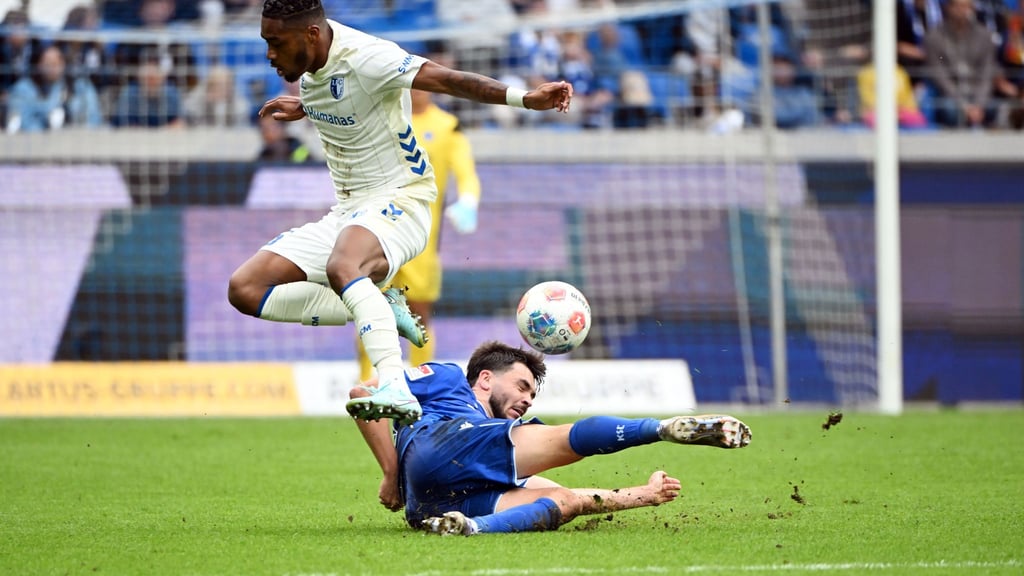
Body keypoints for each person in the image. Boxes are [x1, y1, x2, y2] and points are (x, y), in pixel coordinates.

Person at [227, 0, 573, 426]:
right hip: (350, 211)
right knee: (245, 288)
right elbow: (340, 98)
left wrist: (524, 98)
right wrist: (306, 108)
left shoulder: (368, 57)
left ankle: (392, 382)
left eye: (275, 43)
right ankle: (379, 305)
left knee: (345, 265)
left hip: (402, 201)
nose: (269, 54)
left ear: (311, 35)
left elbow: (447, 80)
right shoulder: (313, 75)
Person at [351, 341, 752, 535]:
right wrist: (389, 472)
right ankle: (661, 428)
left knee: (562, 500)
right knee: (560, 440)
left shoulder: (501, 446)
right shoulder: (450, 378)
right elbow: (363, 394)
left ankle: (469, 528)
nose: (526, 399)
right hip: (444, 439)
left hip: (430, 505)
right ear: (486, 378)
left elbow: (572, 496)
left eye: (531, 395)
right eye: (522, 386)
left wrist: (643, 495)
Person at [355, 87, 481, 382]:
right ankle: (367, 384)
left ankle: (418, 385)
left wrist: (468, 201)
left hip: (421, 239)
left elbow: (466, 172)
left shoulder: (447, 126)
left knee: (419, 315)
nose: (417, 89)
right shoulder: (384, 120)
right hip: (379, 232)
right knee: (369, 312)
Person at [923, 0, 998, 129]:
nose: (961, 11)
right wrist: (964, 105)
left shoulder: (984, 36)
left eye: (966, 7)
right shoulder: (934, 36)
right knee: (951, 111)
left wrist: (979, 104)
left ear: (972, 9)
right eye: (957, 6)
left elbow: (987, 74)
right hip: (949, 94)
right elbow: (940, 76)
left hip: (977, 92)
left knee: (995, 107)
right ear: (948, 8)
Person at [6, 44, 104, 133]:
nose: (52, 68)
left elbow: (93, 117)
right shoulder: (24, 88)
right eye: (48, 64)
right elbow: (23, 121)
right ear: (39, 65)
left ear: (63, 64)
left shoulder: (79, 85)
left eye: (56, 63)